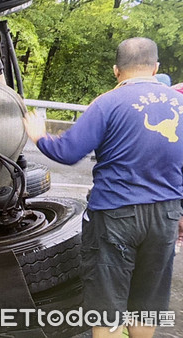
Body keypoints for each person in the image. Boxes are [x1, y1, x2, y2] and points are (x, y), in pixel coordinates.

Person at [23, 37, 183, 338]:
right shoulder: (180, 103)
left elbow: (68, 152)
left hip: (115, 216)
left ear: (116, 70)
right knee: (146, 302)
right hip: (165, 217)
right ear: (156, 67)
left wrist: (40, 136)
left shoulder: (107, 102)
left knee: (107, 307)